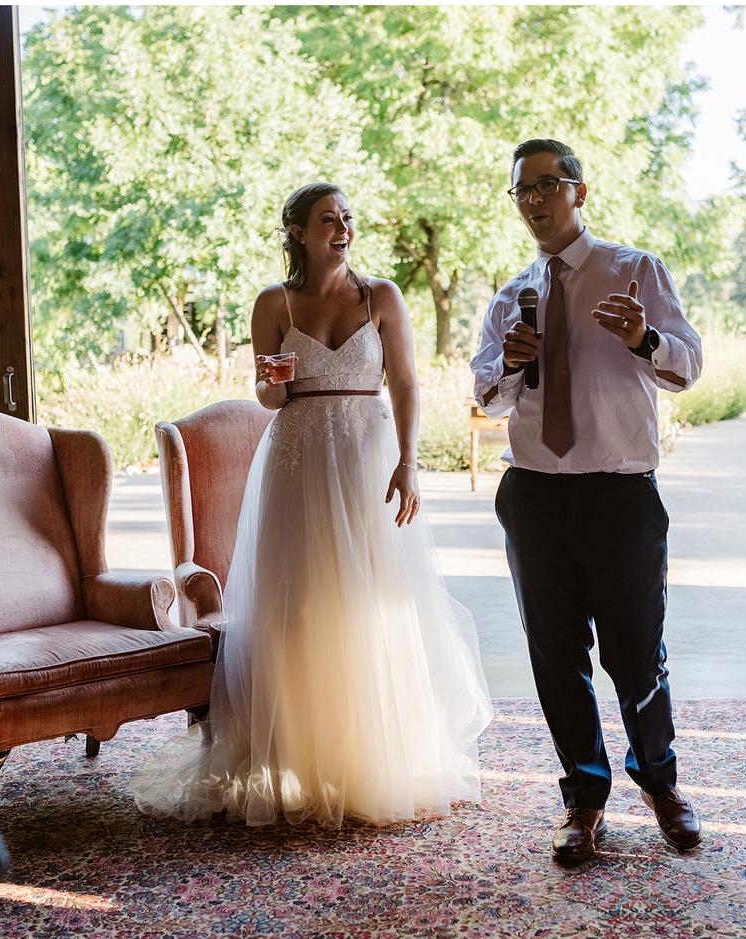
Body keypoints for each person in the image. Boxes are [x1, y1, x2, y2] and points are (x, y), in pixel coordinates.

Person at [132, 182, 493, 828]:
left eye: (348, 217)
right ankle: (304, 758)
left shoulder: (381, 296)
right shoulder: (274, 302)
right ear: (299, 231)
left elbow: (406, 382)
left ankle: (374, 758)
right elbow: (270, 400)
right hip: (296, 459)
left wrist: (408, 462)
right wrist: (271, 381)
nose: (343, 226)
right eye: (329, 218)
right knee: (298, 606)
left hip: (366, 457)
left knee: (372, 601)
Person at [470, 139, 704, 865]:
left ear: (579, 191)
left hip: (620, 495)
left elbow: (688, 363)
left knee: (636, 654)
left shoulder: (635, 270)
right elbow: (482, 396)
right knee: (555, 657)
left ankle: (660, 782)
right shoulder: (511, 296)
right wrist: (509, 361)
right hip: (534, 495)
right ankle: (583, 796)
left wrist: (645, 337)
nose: (534, 201)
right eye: (521, 191)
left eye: (546, 185)